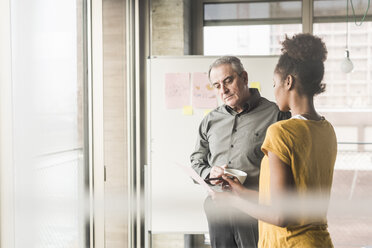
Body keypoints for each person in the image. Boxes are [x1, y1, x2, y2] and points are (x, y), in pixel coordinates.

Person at [213, 33, 337, 248]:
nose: (274, 90)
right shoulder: (327, 130)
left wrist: (232, 201)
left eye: (275, 83)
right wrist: (240, 191)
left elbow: (280, 216)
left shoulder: (281, 132)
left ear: (288, 82)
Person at [190, 56, 290, 248]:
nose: (223, 90)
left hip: (254, 209)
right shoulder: (210, 120)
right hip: (217, 206)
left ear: (244, 77)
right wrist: (209, 172)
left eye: (228, 81)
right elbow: (196, 162)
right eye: (217, 85)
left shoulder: (276, 114)